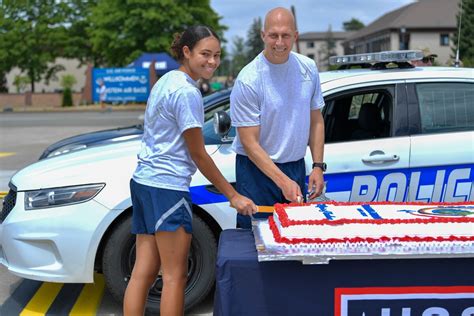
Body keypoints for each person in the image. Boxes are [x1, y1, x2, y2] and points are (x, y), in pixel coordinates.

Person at [123, 25, 257, 315]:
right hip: (167, 188)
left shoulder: (166, 81)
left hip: (144, 182)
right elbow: (198, 153)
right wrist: (232, 194)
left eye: (217, 55)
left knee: (143, 272)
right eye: (205, 54)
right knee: (174, 277)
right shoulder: (187, 93)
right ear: (186, 52)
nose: (212, 61)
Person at [230, 7, 326, 229]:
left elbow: (316, 120)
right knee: (255, 244)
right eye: (273, 35)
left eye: (286, 35)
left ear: (296, 36)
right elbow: (249, 143)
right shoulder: (249, 79)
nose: (279, 42)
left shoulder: (308, 68)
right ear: (263, 35)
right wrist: (282, 181)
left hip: (295, 167)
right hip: (256, 172)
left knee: (295, 238)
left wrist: (318, 166)